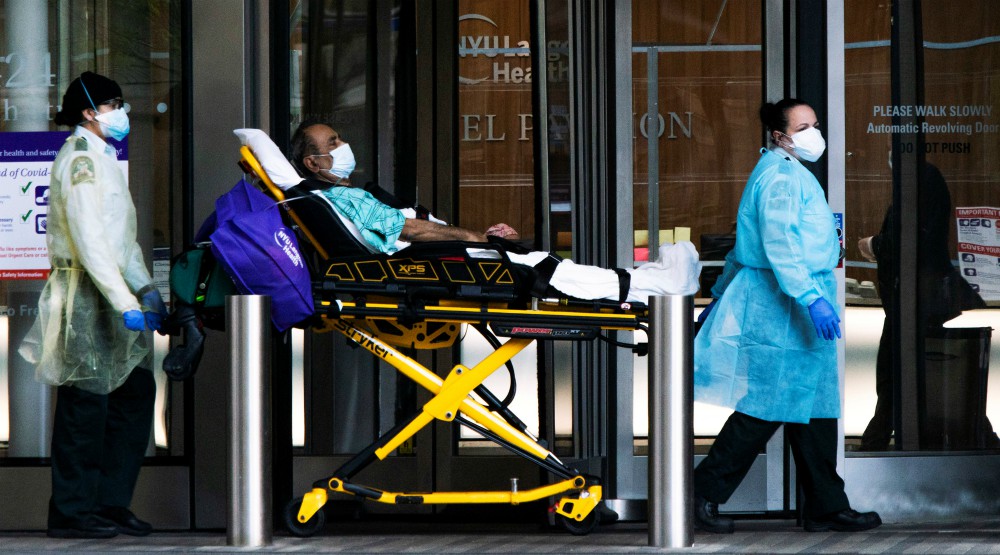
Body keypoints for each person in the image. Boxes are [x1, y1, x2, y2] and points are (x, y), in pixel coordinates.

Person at [692, 99, 881, 534]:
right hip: (784, 305)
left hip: (792, 302)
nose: (814, 133)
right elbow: (781, 246)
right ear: (780, 136)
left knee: (814, 408)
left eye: (815, 124)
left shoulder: (788, 172)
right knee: (766, 406)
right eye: (803, 127)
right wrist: (810, 297)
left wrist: (721, 296)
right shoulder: (780, 178)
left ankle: (826, 505)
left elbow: (745, 247)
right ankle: (701, 493)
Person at [266, 122, 700, 302]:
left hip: (430, 258)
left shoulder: (338, 195)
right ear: (312, 164)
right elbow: (409, 229)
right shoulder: (340, 199)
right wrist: (477, 239)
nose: (342, 147)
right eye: (333, 144)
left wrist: (478, 237)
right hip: (426, 263)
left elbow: (409, 228)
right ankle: (642, 286)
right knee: (535, 267)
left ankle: (640, 283)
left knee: (534, 262)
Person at [18, 72, 166, 539]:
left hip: (111, 289)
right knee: (86, 405)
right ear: (88, 112)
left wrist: (145, 287)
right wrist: (126, 299)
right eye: (114, 103)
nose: (122, 112)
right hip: (86, 292)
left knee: (132, 395)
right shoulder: (80, 161)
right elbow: (90, 241)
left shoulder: (103, 159)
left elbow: (121, 241)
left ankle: (108, 502)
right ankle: (72, 511)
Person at [858, 158, 989, 450]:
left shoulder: (922, 180)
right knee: (910, 374)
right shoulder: (922, 180)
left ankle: (875, 444)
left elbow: (911, 240)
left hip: (916, 300)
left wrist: (874, 245)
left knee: (897, 375)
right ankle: (880, 442)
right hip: (913, 299)